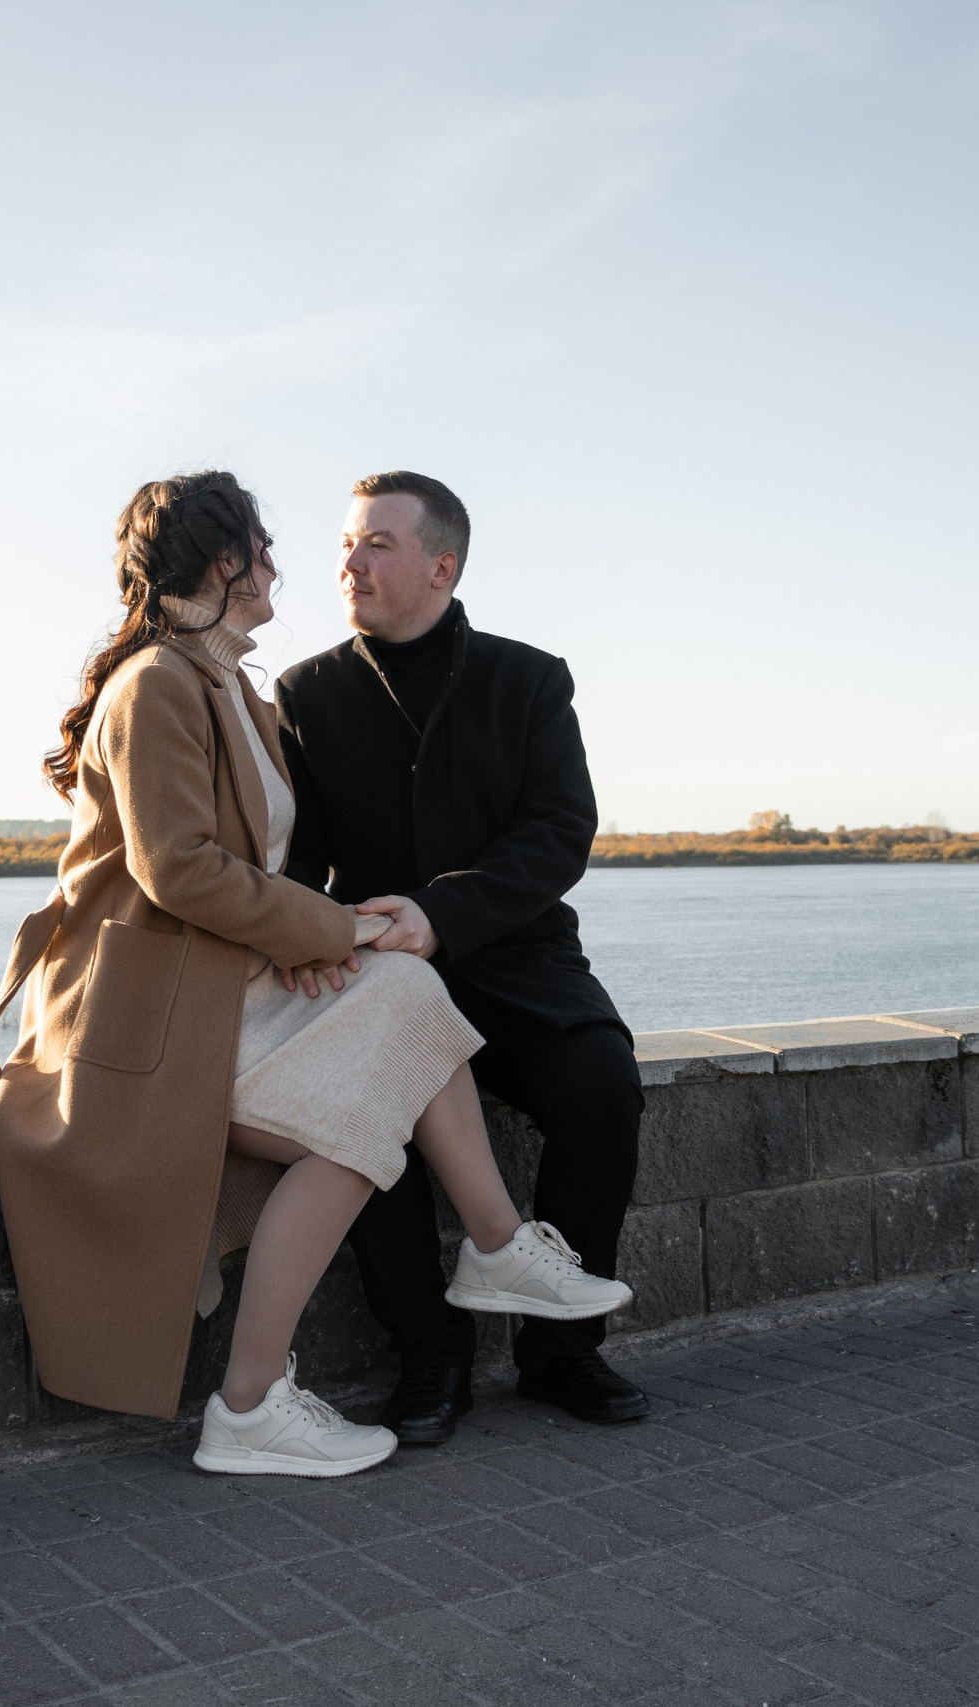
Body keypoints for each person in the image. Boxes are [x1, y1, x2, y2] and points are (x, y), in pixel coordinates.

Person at [0, 471, 627, 1480]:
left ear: (442, 565)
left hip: (254, 984)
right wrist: (329, 935)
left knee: (402, 1061)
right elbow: (182, 869)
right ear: (224, 561)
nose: (300, 565)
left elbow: (274, 869)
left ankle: (276, 1394)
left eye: (372, 544)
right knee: (371, 1087)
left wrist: (323, 943)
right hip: (148, 1015)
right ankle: (292, 1384)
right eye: (271, 545)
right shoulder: (161, 684)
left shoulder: (231, 687)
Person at [276, 471, 648, 1444]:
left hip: (517, 960)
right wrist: (305, 934)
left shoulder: (530, 679)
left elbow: (558, 832)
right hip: (377, 977)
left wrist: (444, 912)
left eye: (377, 543)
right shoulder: (305, 692)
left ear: (442, 566)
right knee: (368, 1121)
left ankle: (561, 1352)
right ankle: (430, 1357)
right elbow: (298, 856)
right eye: (346, 544)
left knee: (601, 1084)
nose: (350, 562)